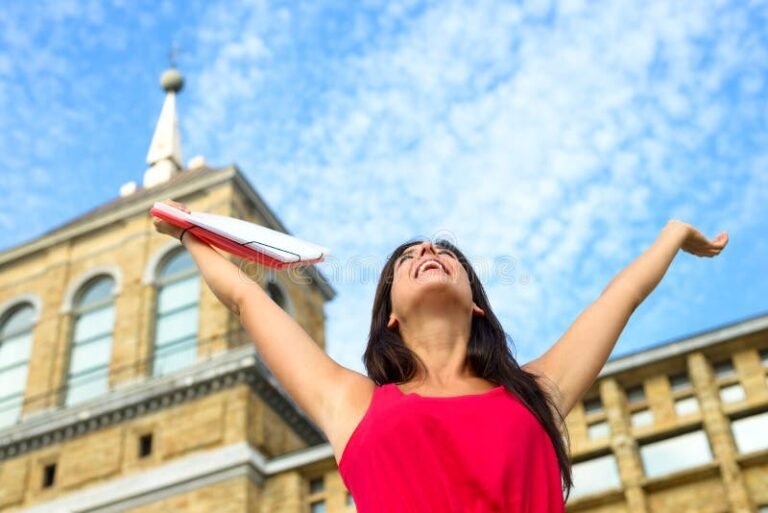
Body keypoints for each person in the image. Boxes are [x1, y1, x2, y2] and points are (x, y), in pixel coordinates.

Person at [152, 198, 728, 512]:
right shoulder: (352, 403)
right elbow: (245, 297)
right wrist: (188, 232)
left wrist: (672, 237)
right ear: (391, 315)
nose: (428, 250)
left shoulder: (537, 394)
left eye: (445, 253)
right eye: (409, 258)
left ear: (477, 305)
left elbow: (619, 298)